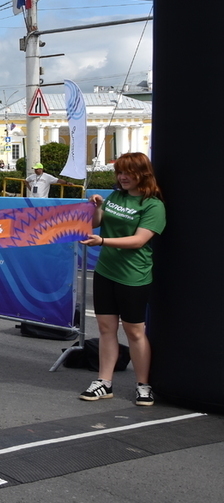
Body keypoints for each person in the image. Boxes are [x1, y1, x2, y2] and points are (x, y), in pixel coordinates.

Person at [78, 152, 165, 406]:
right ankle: (104, 382)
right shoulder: (115, 196)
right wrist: (96, 207)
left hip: (134, 276)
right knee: (106, 329)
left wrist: (103, 241)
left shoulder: (153, 205)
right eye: (120, 173)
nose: (123, 177)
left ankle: (143, 385)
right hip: (106, 271)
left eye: (129, 173)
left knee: (134, 331)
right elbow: (95, 224)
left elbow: (139, 240)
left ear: (143, 174)